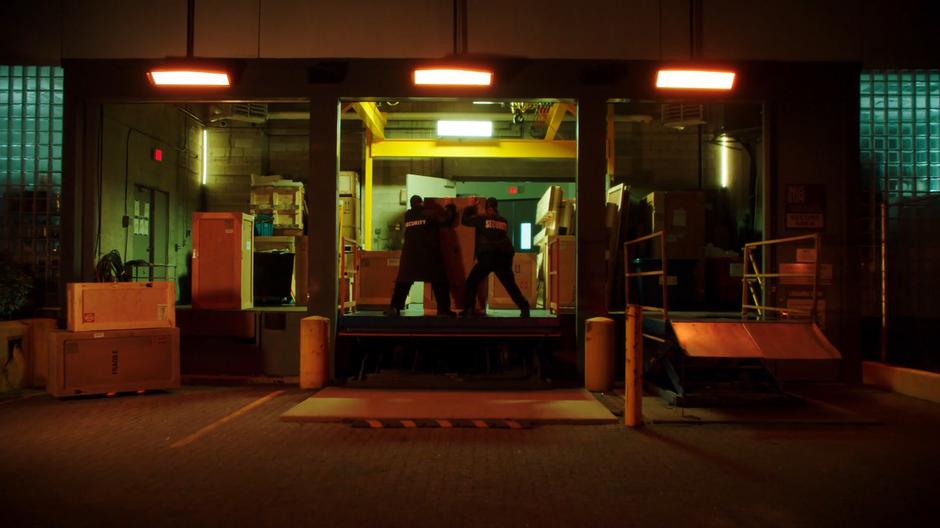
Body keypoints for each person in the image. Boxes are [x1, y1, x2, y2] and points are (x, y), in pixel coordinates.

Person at [385, 195, 457, 317]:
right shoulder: (429, 214)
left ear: (411, 204)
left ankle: (394, 308)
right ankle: (443, 310)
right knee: (440, 282)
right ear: (422, 203)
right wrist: (450, 206)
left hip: (410, 256)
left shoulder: (407, 216)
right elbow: (447, 221)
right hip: (429, 254)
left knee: (403, 282)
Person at [459, 197, 530, 318]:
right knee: (510, 285)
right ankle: (524, 308)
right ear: (497, 207)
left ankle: (468, 309)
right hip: (503, 257)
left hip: (488, 256)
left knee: (471, 282)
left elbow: (465, 220)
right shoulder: (503, 221)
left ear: (487, 208)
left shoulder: (482, 218)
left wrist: (471, 206)